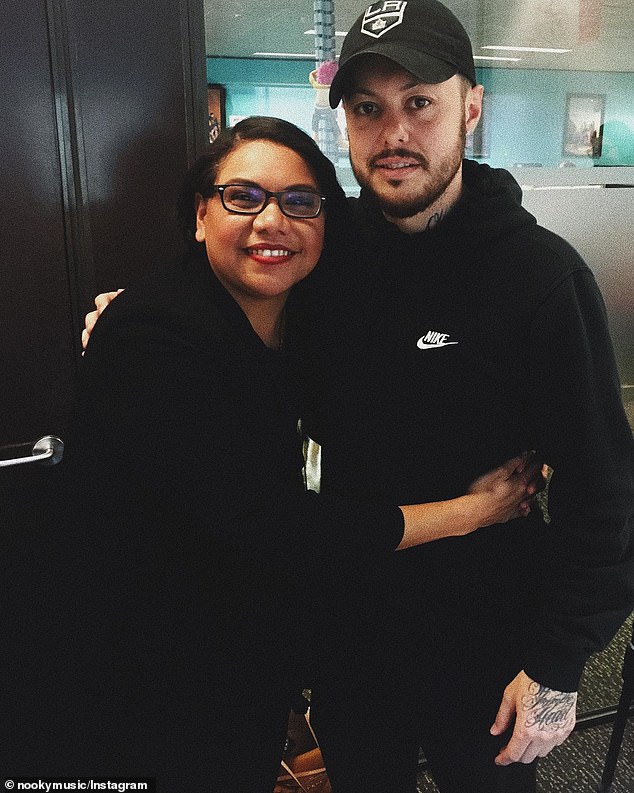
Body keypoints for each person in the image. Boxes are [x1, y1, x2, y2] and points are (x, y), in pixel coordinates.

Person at [82, 4, 633, 790]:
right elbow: (246, 299)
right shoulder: (330, 253)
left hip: (485, 640)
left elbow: (603, 488)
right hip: (350, 632)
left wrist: (559, 660)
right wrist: (139, 310)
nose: (394, 132)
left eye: (420, 102)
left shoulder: (542, 279)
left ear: (470, 109)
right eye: (368, 108)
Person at [7, 116, 538, 790]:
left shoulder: (299, 319)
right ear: (201, 214)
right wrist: (470, 512)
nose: (271, 220)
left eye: (298, 200)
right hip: (136, 664)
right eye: (243, 196)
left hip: (229, 653)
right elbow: (270, 524)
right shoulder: (151, 334)